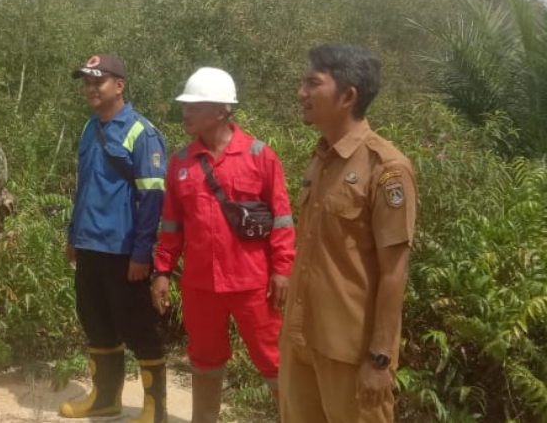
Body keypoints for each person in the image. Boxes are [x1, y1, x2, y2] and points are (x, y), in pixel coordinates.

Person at [278, 44, 417, 423]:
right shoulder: (321, 158)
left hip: (350, 353)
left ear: (348, 95)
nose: (301, 93)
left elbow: (394, 271)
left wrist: (379, 359)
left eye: (312, 84)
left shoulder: (386, 168)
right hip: (302, 341)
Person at [152, 67, 296, 423]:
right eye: (185, 106)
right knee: (204, 361)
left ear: (221, 110)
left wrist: (282, 271)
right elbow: (171, 226)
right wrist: (162, 271)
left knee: (275, 361)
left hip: (254, 285)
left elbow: (281, 219)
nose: (185, 112)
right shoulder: (181, 163)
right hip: (201, 286)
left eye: (194, 106)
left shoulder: (260, 157)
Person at [62, 54, 168, 423]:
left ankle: (155, 408)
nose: (91, 88)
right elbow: (84, 188)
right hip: (90, 246)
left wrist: (142, 253)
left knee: (137, 325)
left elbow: (153, 197)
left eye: (99, 81)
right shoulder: (90, 128)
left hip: (123, 250)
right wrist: (73, 235)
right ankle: (105, 399)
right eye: (87, 82)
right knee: (95, 322)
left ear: (119, 86)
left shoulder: (142, 132)